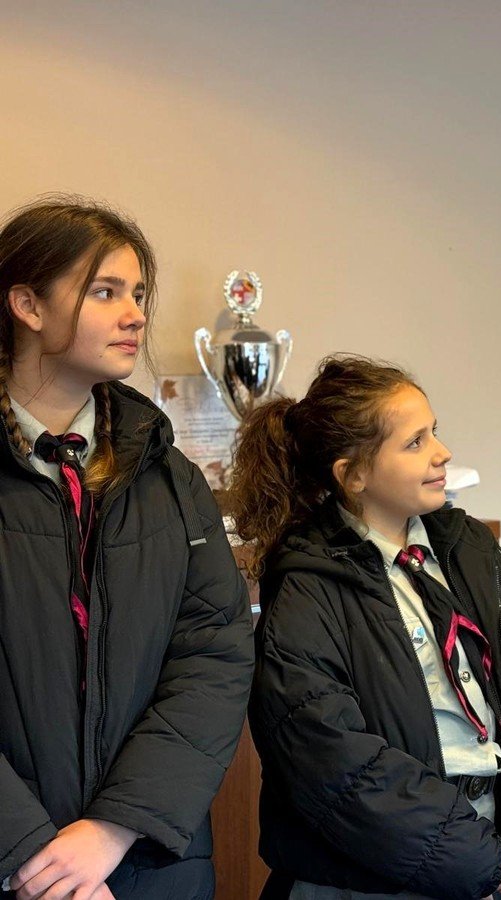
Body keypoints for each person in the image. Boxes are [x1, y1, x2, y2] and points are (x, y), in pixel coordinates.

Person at [226, 355, 501, 900]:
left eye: (434, 432)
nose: (442, 452)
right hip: (380, 874)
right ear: (353, 475)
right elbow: (338, 766)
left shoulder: (467, 550)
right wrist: (475, 857)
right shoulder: (308, 588)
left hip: (492, 854)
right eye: (415, 442)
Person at [0, 198, 254, 899]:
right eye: (106, 292)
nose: (136, 315)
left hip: (150, 859)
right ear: (27, 304)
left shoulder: (170, 478)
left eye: (138, 294)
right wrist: (34, 857)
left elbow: (214, 656)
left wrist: (112, 830)